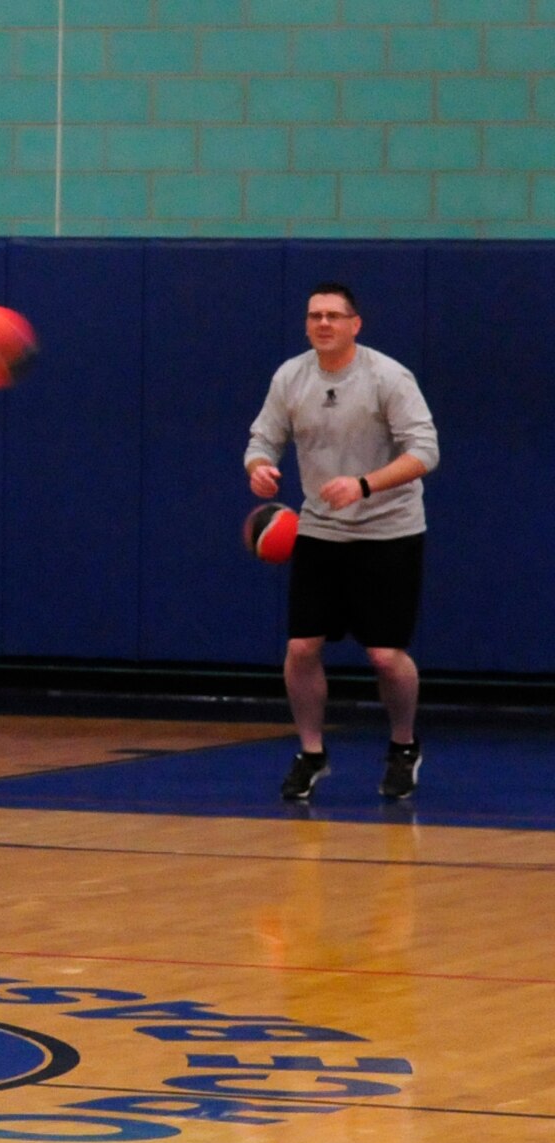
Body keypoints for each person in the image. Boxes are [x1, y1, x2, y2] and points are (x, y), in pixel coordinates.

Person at [246, 281, 439, 802]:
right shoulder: (291, 376)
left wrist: (364, 485)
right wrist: (258, 468)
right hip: (320, 529)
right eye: (315, 316)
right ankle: (311, 753)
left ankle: (403, 746)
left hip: (389, 529)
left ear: (356, 324)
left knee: (385, 656)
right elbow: (263, 439)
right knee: (301, 647)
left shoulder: (388, 377)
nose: (323, 323)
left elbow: (425, 451)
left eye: (334, 315)